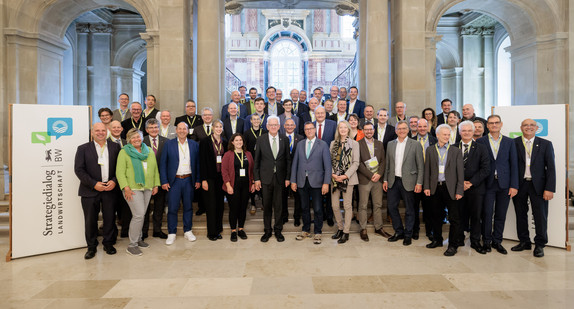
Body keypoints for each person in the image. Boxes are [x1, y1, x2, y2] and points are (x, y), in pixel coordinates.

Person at [74, 123, 121, 259]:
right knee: (90, 220)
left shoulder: (115, 147)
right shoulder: (83, 149)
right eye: (97, 131)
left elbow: (121, 167)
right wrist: (94, 184)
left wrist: (114, 181)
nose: (100, 133)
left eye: (103, 130)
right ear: (92, 133)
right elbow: (79, 170)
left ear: (107, 132)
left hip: (110, 189)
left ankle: (108, 243)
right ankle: (91, 247)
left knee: (110, 218)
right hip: (90, 190)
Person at [511, 119, 556, 257]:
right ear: (521, 127)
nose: (528, 127)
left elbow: (551, 169)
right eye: (525, 125)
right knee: (520, 214)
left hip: (539, 186)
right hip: (520, 184)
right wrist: (512, 185)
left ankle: (540, 244)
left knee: (540, 216)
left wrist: (550, 188)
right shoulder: (514, 143)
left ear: (536, 128)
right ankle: (524, 241)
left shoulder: (545, 144)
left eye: (531, 125)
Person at [476, 115, 518, 254]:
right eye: (491, 123)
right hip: (487, 184)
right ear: (487, 125)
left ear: (501, 124)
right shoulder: (480, 141)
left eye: (496, 123)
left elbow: (514, 165)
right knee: (487, 213)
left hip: (504, 184)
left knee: (501, 214)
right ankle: (486, 241)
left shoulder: (509, 142)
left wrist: (514, 185)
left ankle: (497, 241)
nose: (494, 125)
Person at [116, 128, 160, 256]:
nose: (136, 139)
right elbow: (120, 172)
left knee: (142, 214)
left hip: (147, 187)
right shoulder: (124, 152)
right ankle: (132, 245)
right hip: (132, 188)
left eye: (138, 137)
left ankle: (139, 239)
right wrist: (126, 188)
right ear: (129, 140)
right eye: (133, 137)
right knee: (138, 215)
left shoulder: (149, 151)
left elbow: (154, 169)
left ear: (142, 138)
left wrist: (156, 184)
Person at [423, 124, 464, 256]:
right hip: (435, 187)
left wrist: (459, 190)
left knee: (454, 218)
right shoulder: (430, 150)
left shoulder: (455, 151)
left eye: (448, 134)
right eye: (444, 134)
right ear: (438, 135)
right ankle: (437, 239)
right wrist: (427, 187)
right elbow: (427, 170)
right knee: (436, 216)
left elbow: (460, 173)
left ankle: (453, 244)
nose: (447, 137)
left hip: (450, 188)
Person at [383, 121, 424, 246]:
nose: (401, 130)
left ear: (408, 130)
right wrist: (385, 179)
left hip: (409, 181)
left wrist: (419, 182)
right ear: (395, 131)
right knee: (391, 207)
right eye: (399, 128)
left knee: (410, 210)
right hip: (393, 181)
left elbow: (420, 166)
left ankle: (408, 234)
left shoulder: (415, 144)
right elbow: (388, 164)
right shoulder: (390, 144)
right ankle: (399, 231)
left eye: (404, 128)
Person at [159, 122, 201, 245]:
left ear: (188, 131)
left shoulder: (194, 145)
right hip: (174, 181)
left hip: (189, 180)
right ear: (176, 130)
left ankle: (188, 230)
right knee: (172, 208)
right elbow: (163, 164)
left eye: (184, 129)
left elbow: (198, 164)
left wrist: (198, 179)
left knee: (188, 207)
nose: (182, 131)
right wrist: (164, 181)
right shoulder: (169, 144)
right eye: (180, 129)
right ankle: (172, 233)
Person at [290, 122, 331, 245]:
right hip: (302, 180)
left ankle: (318, 232)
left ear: (314, 130)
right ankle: (306, 230)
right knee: (304, 207)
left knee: (318, 208)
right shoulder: (300, 144)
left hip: (317, 181)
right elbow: (295, 164)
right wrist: (293, 180)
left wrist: (326, 183)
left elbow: (328, 166)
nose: (308, 131)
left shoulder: (323, 145)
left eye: (311, 129)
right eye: (306, 129)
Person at [254, 116, 292, 242]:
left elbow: (288, 160)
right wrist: (257, 178)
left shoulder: (285, 139)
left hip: (280, 178)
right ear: (267, 126)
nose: (274, 127)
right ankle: (267, 231)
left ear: (279, 126)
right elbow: (257, 161)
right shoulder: (261, 139)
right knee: (267, 205)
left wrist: (288, 177)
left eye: (276, 125)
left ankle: (278, 230)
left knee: (279, 206)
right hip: (265, 178)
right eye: (271, 125)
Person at [455, 120, 490, 254]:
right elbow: (449, 168)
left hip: (476, 188)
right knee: (459, 215)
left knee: (476, 216)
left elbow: (485, 169)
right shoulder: (452, 147)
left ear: (474, 131)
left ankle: (475, 241)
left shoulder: (481, 148)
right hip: (458, 187)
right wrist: (461, 182)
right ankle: (458, 238)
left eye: (469, 130)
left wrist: (470, 183)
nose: (467, 133)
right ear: (460, 132)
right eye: (464, 130)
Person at [357, 122, 389, 241]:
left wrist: (379, 174)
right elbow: (358, 163)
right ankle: (363, 229)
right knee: (363, 205)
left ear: (374, 130)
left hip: (378, 180)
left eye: (370, 129)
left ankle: (378, 227)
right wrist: (371, 175)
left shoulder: (380, 144)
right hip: (364, 179)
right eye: (366, 130)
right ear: (363, 131)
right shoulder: (358, 144)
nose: (369, 132)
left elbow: (383, 161)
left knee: (378, 205)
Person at [330, 121, 360, 244]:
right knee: (335, 206)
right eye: (340, 127)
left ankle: (346, 232)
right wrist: (333, 174)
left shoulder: (354, 144)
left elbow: (356, 162)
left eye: (345, 127)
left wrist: (345, 175)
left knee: (347, 206)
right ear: (338, 129)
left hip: (349, 179)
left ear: (348, 129)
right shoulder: (333, 143)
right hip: (334, 179)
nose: (342, 129)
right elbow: (329, 161)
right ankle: (340, 228)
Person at [222, 133, 255, 241]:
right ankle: (233, 231)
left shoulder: (248, 154)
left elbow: (252, 170)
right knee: (234, 209)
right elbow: (224, 171)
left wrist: (253, 183)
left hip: (246, 185)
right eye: (236, 140)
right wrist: (228, 185)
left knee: (243, 208)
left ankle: (240, 229)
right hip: (233, 185)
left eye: (240, 140)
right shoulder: (228, 154)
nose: (239, 142)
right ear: (232, 142)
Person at [199, 120, 227, 241]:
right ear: (212, 128)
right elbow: (202, 162)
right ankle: (211, 232)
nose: (219, 129)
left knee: (220, 204)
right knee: (211, 205)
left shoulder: (225, 141)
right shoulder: (205, 142)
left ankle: (218, 229)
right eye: (217, 127)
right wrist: (203, 179)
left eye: (221, 127)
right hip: (209, 178)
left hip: (221, 178)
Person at [142, 119, 168, 239]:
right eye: (151, 128)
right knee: (145, 207)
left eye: (156, 127)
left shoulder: (166, 141)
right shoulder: (141, 141)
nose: (154, 130)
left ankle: (157, 230)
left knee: (159, 206)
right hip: (145, 179)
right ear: (147, 130)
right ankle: (144, 231)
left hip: (161, 179)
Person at [412, 119, 437, 241]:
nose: (422, 128)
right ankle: (415, 230)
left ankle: (429, 231)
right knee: (414, 207)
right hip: (414, 179)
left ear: (428, 127)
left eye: (424, 126)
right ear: (416, 127)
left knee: (429, 208)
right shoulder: (410, 141)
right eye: (419, 126)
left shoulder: (434, 140)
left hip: (430, 179)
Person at [314, 105, 337, 226]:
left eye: (322, 113)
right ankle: (320, 215)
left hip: (328, 162)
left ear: (325, 113)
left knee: (329, 191)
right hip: (314, 164)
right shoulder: (310, 125)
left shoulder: (332, 124)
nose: (320, 115)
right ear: (314, 114)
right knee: (317, 190)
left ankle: (329, 216)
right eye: (317, 113)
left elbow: (335, 142)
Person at [282, 118, 304, 226]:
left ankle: (296, 217)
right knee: (283, 196)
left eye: (292, 125)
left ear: (295, 126)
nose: (290, 127)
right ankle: (284, 215)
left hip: (297, 170)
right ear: (284, 126)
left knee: (298, 196)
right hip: (283, 171)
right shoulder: (280, 138)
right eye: (288, 125)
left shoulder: (301, 138)